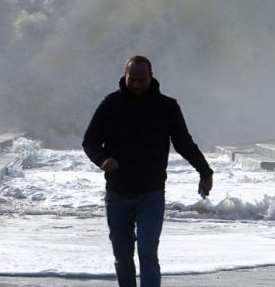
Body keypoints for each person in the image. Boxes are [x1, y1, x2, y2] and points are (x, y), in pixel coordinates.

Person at [83, 55, 214, 287]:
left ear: (151, 77)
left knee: (147, 252)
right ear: (125, 76)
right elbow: (90, 141)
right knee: (123, 256)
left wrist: (205, 172)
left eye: (141, 80)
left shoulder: (167, 107)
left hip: (151, 194)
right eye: (131, 79)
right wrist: (102, 160)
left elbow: (184, 143)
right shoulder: (111, 104)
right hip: (117, 193)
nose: (136, 84)